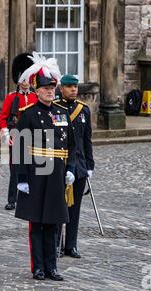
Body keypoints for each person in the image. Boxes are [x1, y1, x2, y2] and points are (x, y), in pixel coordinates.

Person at [14, 53, 76, 281]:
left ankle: (52, 266)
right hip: (36, 174)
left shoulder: (62, 113)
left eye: (52, 88)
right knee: (37, 224)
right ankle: (38, 267)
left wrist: (71, 168)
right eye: (45, 88)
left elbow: (72, 145)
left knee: (54, 222)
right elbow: (20, 148)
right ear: (36, 90)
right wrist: (21, 178)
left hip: (57, 175)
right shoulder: (28, 115)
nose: (50, 91)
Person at [54, 75, 95, 259]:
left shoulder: (83, 110)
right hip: (59, 164)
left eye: (75, 87)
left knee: (74, 208)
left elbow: (87, 141)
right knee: (57, 208)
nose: (73, 90)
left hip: (78, 166)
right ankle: (56, 244)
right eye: (69, 87)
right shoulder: (55, 108)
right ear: (61, 88)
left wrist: (89, 165)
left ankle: (71, 245)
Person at [0, 53, 38, 211]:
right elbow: (3, 118)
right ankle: (12, 199)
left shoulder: (36, 97)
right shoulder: (11, 98)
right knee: (15, 169)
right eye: (22, 79)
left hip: (33, 137)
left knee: (33, 168)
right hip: (16, 136)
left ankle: (32, 196)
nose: (25, 83)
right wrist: (6, 135)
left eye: (27, 79)